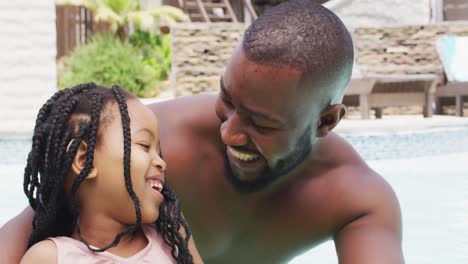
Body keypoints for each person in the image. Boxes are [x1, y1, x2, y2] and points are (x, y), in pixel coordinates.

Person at [0, 1, 404, 263]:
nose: (229, 132)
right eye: (226, 99)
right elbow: (33, 222)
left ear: (326, 122)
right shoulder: (155, 145)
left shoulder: (357, 200)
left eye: (261, 123)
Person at [16, 83, 201, 263]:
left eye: (158, 151)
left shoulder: (172, 238)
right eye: (144, 145)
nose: (161, 162)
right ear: (84, 160)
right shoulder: (49, 258)